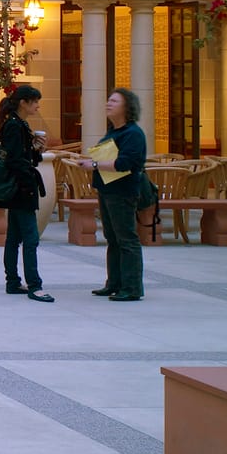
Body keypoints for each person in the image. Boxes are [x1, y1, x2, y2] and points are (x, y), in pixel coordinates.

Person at [71, 87, 148, 303]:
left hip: (122, 192)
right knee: (112, 239)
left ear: (127, 107)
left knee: (126, 238)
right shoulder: (113, 131)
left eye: (114, 101)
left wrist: (94, 164)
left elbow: (126, 164)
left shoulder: (133, 133)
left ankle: (132, 287)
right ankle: (114, 283)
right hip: (107, 190)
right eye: (108, 100)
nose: (108, 104)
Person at [0, 85, 53, 302]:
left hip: (17, 189)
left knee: (14, 238)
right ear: (23, 102)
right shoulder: (14, 126)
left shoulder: (17, 125)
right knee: (30, 238)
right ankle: (35, 286)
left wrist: (37, 150)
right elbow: (15, 160)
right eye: (35, 101)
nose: (38, 106)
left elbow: (25, 157)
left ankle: (13, 282)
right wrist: (29, 178)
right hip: (22, 189)